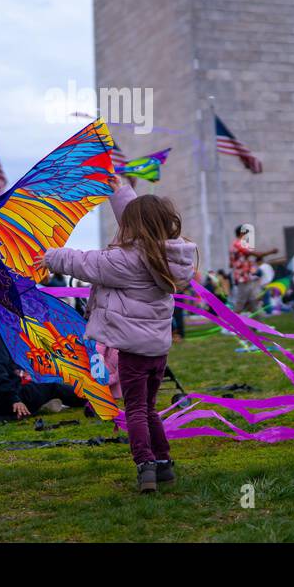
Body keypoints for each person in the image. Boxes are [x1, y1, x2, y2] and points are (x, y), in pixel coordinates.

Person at [41, 178, 197, 493]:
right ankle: (164, 464)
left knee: (135, 410)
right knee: (150, 408)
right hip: (158, 350)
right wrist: (120, 190)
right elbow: (142, 221)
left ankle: (145, 467)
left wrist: (49, 258)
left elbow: (85, 263)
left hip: (133, 352)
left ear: (136, 226)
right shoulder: (170, 254)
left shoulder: (126, 261)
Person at [228, 225, 274, 314]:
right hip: (242, 278)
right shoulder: (239, 244)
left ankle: (257, 326)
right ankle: (230, 326)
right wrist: (271, 252)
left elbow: (230, 264)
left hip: (245, 277)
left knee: (253, 303)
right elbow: (256, 254)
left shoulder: (235, 245)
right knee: (240, 304)